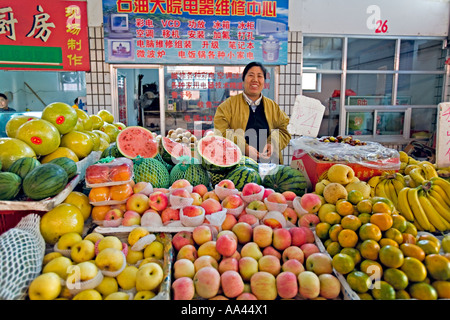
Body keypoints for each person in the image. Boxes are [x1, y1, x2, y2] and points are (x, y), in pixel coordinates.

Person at [213, 61, 291, 164]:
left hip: (268, 167)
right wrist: (244, 148)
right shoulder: (226, 107)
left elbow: (284, 130)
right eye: (251, 75)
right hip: (238, 167)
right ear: (243, 79)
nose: (255, 80)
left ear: (264, 81)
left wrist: (273, 144)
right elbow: (221, 133)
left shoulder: (273, 107)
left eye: (259, 76)